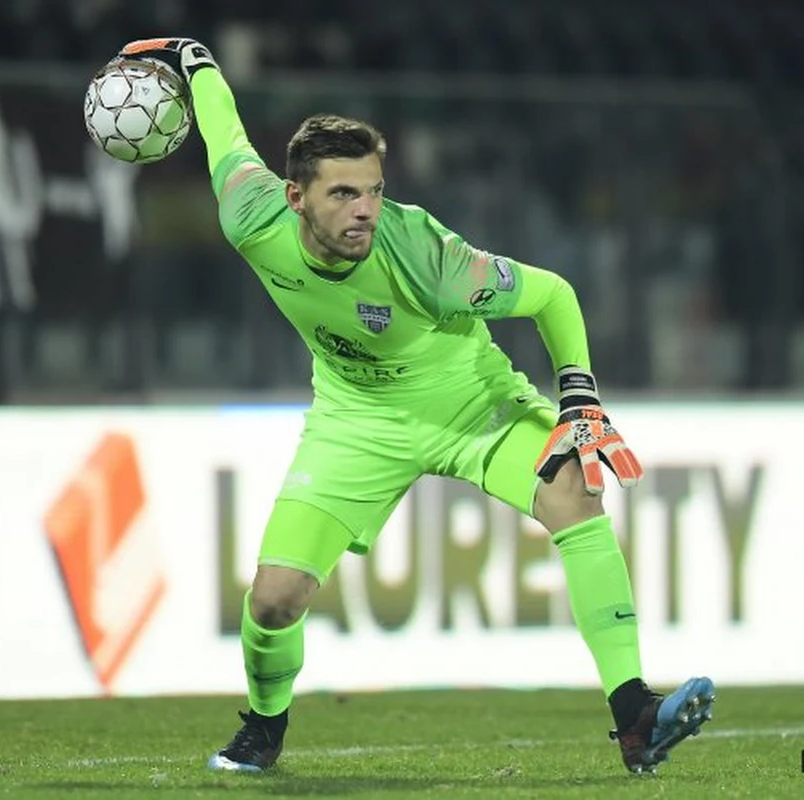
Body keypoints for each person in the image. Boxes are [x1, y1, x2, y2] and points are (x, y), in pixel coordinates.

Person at [111, 37, 715, 776]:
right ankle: (263, 732)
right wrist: (196, 62)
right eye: (342, 194)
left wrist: (578, 395)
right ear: (295, 197)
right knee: (272, 602)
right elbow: (224, 136)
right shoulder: (250, 216)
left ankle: (634, 715)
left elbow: (552, 292)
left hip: (470, 406)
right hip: (355, 420)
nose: (365, 210)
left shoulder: (424, 254)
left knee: (573, 492)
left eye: (373, 190)